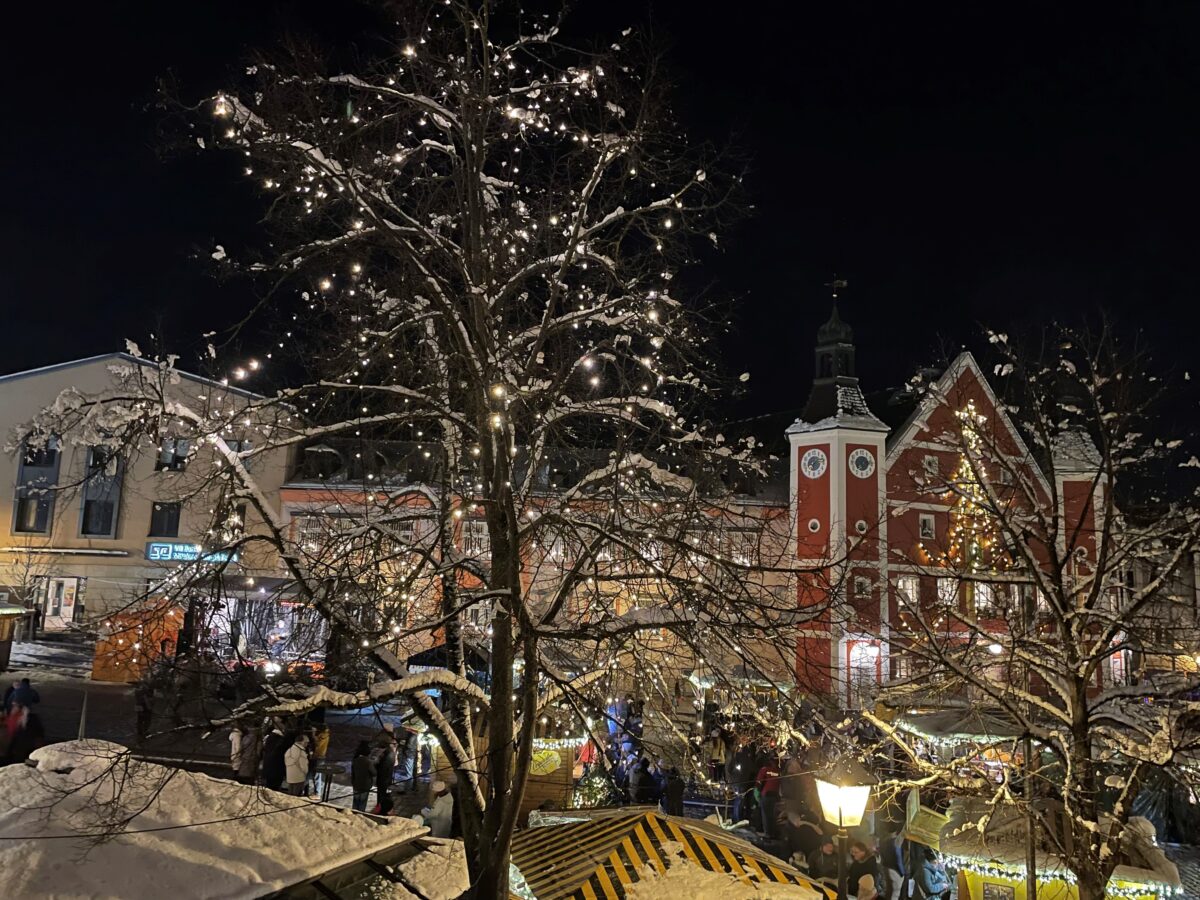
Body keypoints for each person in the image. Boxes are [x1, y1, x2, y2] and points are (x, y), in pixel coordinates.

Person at [755, 755, 783, 837]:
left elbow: (758, 783)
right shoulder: (778, 771)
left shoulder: (764, 769)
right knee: (772, 815)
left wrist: (758, 794)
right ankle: (773, 832)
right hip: (775, 795)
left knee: (765, 815)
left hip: (766, 794)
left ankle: (767, 833)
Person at [262, 724, 290, 791]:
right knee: (274, 788)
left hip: (268, 766)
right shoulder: (280, 740)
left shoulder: (268, 738)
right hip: (277, 768)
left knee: (269, 787)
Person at [351, 741, 376, 812]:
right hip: (365, 786)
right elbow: (374, 773)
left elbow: (353, 773)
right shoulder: (368, 762)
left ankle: (354, 813)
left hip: (356, 784)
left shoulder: (355, 760)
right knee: (362, 802)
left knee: (355, 801)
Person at [374, 737, 397, 815]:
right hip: (385, 779)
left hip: (383, 779)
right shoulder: (390, 753)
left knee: (381, 795)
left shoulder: (388, 754)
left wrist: (377, 765)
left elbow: (383, 768)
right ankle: (381, 808)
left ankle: (382, 810)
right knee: (382, 795)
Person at [308, 724, 330, 798]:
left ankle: (318, 794)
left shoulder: (323, 736)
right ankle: (316, 792)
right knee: (316, 775)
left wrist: (313, 734)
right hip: (318, 757)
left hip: (319, 757)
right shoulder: (323, 735)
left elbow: (317, 744)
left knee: (317, 775)